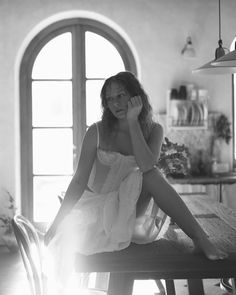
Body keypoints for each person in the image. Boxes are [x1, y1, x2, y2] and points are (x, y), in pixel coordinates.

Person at [44, 71, 227, 286]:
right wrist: (55, 225)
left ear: (135, 96)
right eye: (110, 99)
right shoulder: (96, 131)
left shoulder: (154, 130)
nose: (115, 103)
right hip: (97, 215)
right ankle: (200, 237)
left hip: (131, 213)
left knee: (150, 175)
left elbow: (146, 164)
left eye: (120, 95)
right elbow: (78, 182)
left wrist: (133, 122)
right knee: (151, 176)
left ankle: (199, 238)